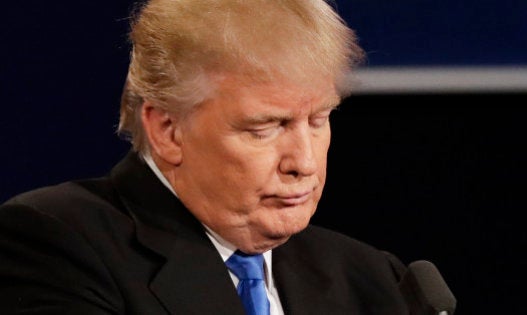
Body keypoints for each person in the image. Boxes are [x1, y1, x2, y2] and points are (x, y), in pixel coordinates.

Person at [0, 0, 410, 314]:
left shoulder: (369, 278)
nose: (303, 162)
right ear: (168, 130)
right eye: (264, 128)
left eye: (319, 120)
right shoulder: (59, 243)